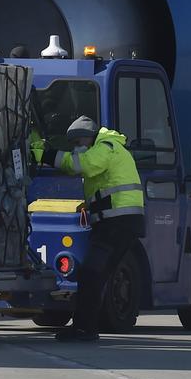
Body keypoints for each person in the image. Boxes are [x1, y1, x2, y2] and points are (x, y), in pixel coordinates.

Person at [31, 115, 145, 342]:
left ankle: (85, 329)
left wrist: (45, 154)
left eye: (77, 143)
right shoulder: (110, 146)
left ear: (88, 138)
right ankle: (86, 326)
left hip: (116, 223)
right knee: (96, 274)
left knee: (92, 273)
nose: (76, 149)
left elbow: (80, 165)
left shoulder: (106, 147)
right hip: (119, 222)